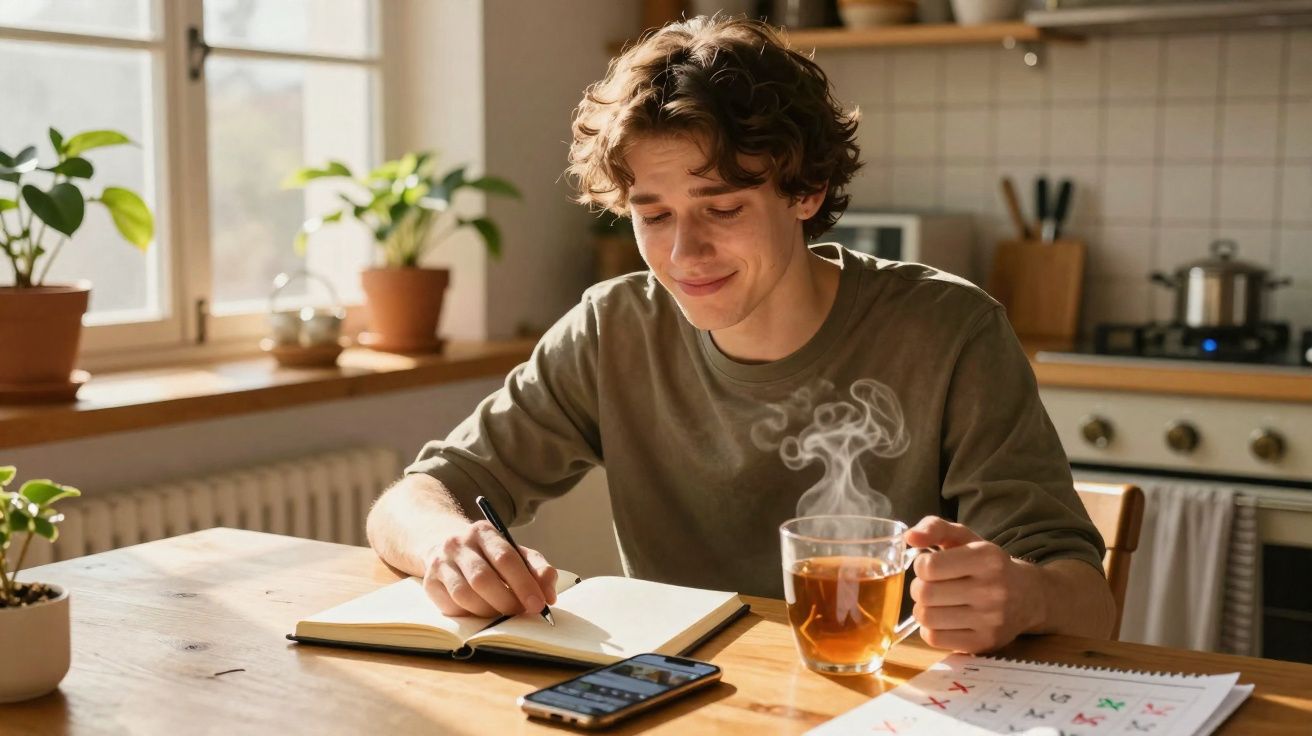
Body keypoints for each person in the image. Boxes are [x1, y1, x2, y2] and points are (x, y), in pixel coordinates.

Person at [367, 14, 1115, 653]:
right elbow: (413, 498)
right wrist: (448, 545)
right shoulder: (613, 329)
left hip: (890, 701)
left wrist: (1025, 596)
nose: (683, 255)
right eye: (654, 216)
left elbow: (1089, 602)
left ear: (806, 190)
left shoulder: (950, 331)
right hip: (678, 697)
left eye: (721, 209)